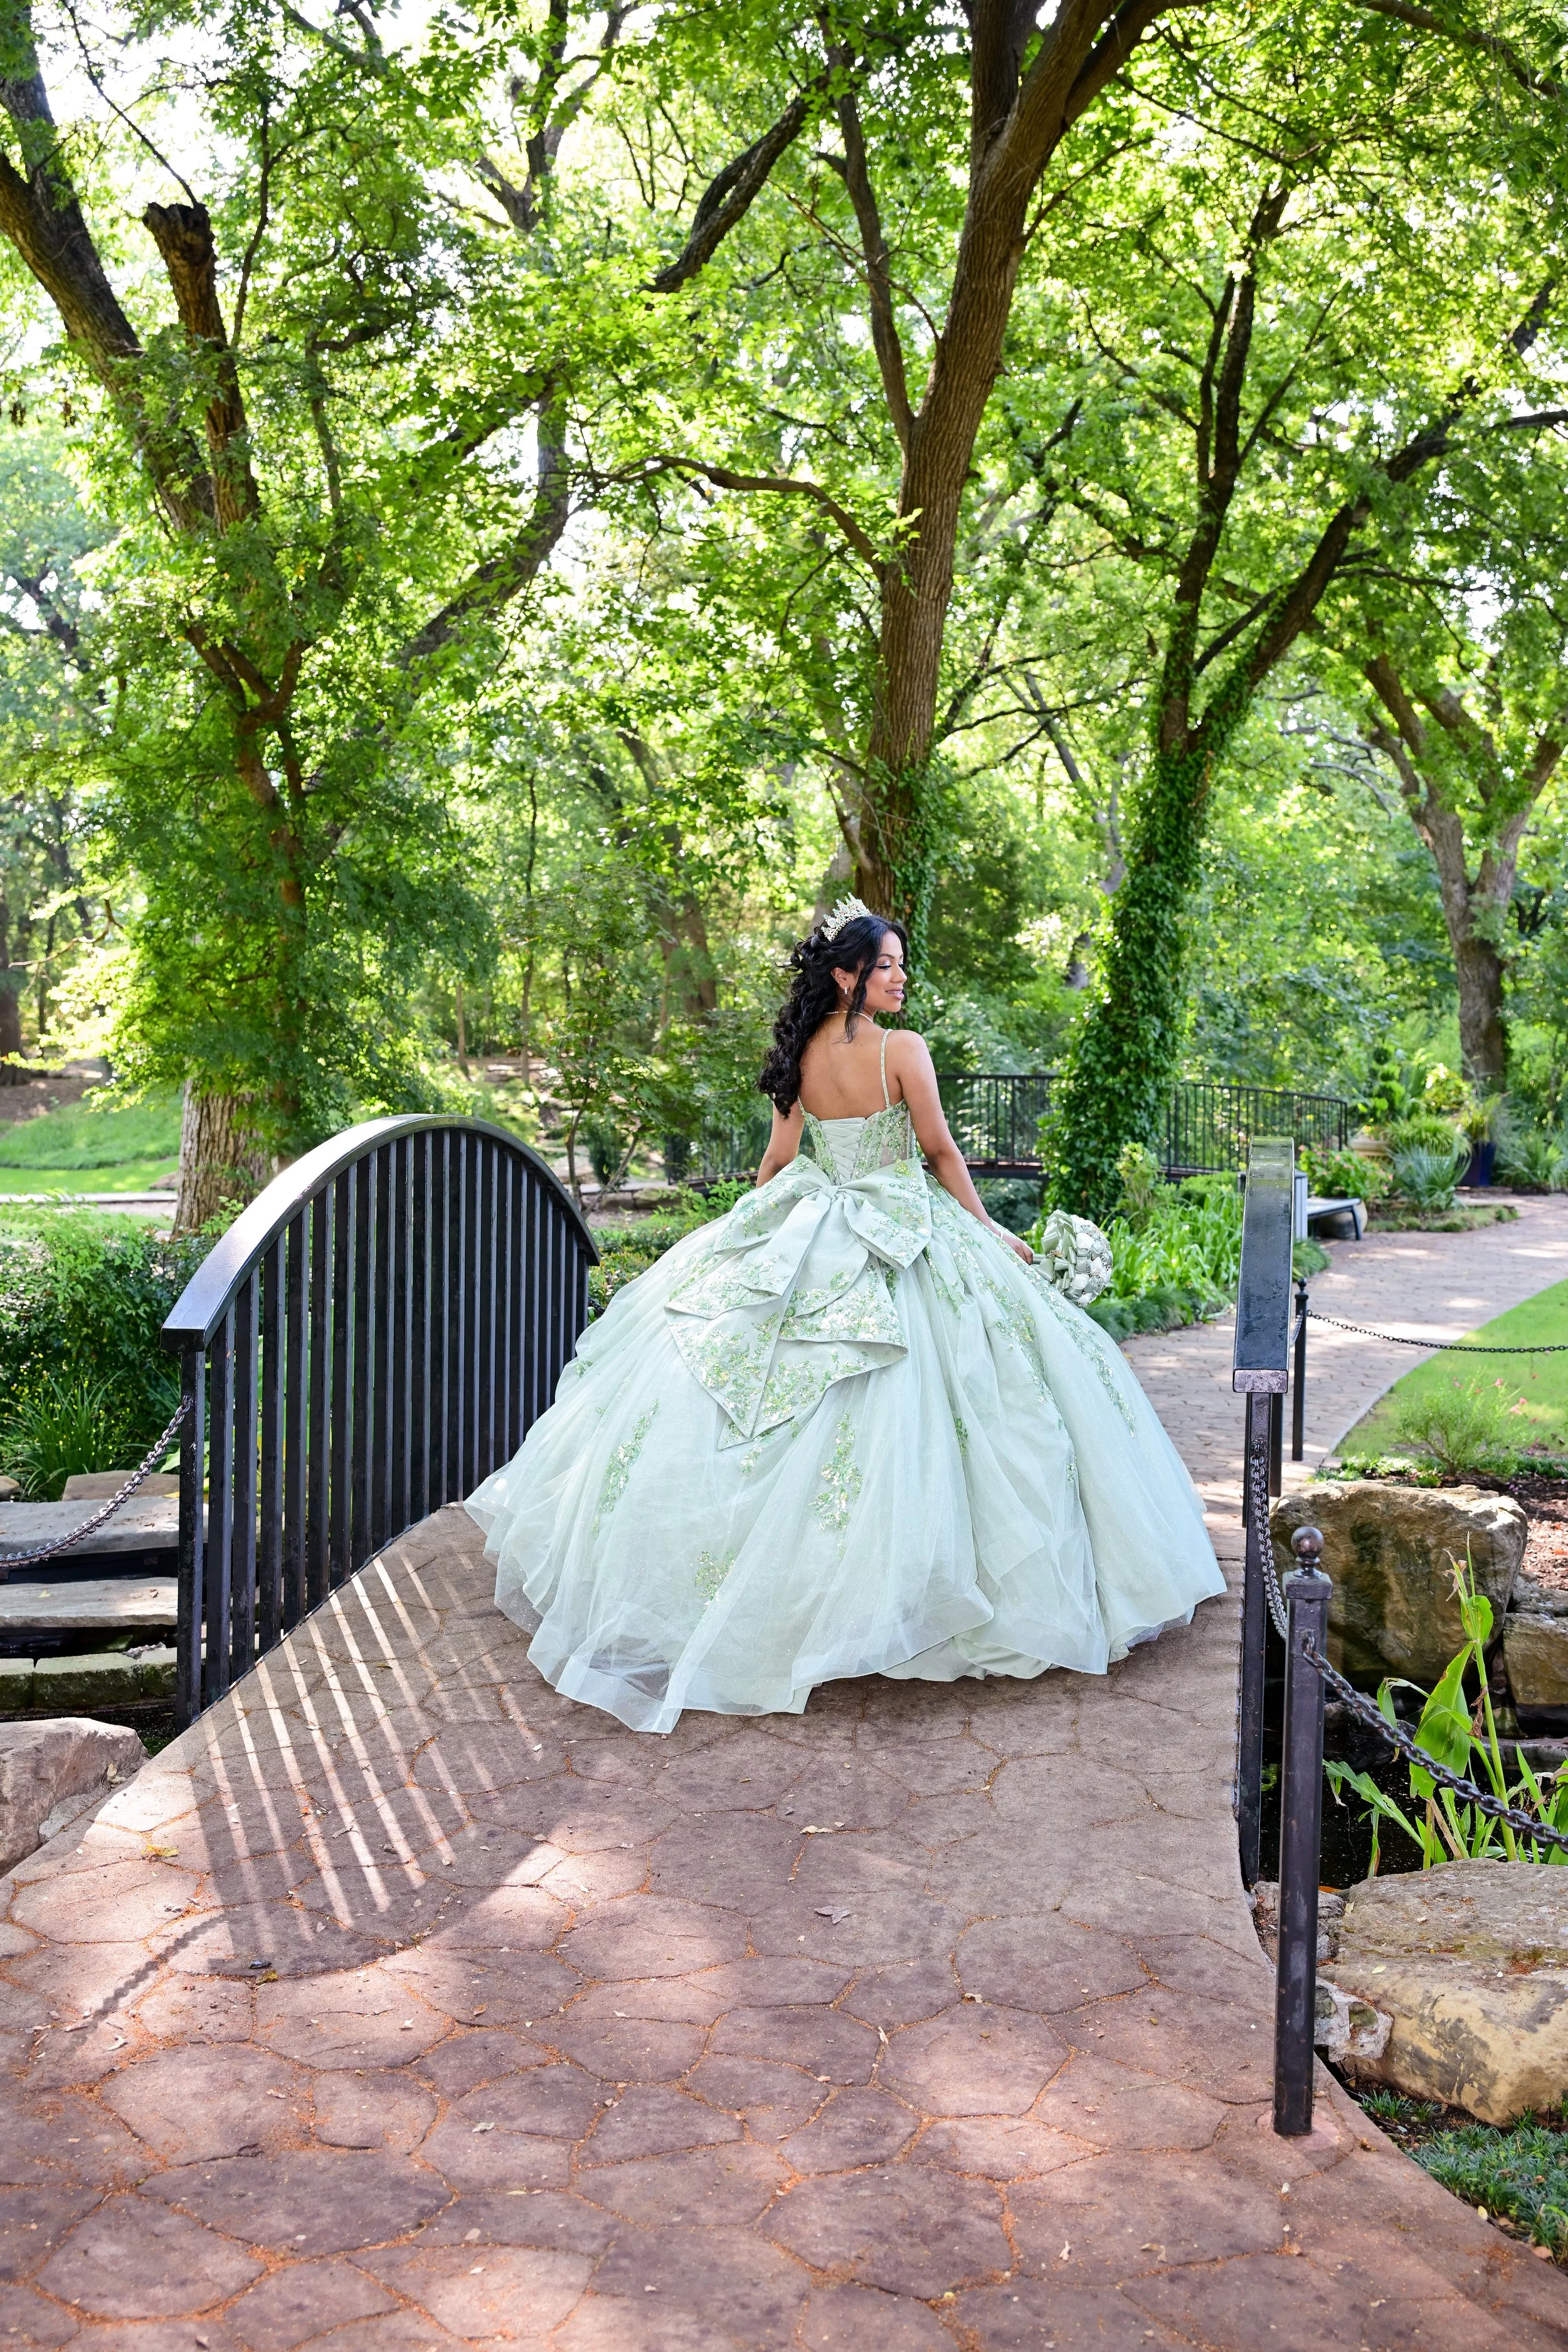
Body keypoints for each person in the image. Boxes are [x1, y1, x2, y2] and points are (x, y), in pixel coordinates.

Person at [467, 898, 1224, 1733]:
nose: (901, 978)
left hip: (813, 1220)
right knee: (974, 1399)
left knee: (774, 1399)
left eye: (902, 965)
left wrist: (744, 1238)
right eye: (887, 965)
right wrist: (988, 1228)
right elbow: (937, 1153)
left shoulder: (803, 1053)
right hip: (899, 1225)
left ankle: (790, 1598)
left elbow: (780, 1159)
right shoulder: (904, 1050)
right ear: (845, 974)